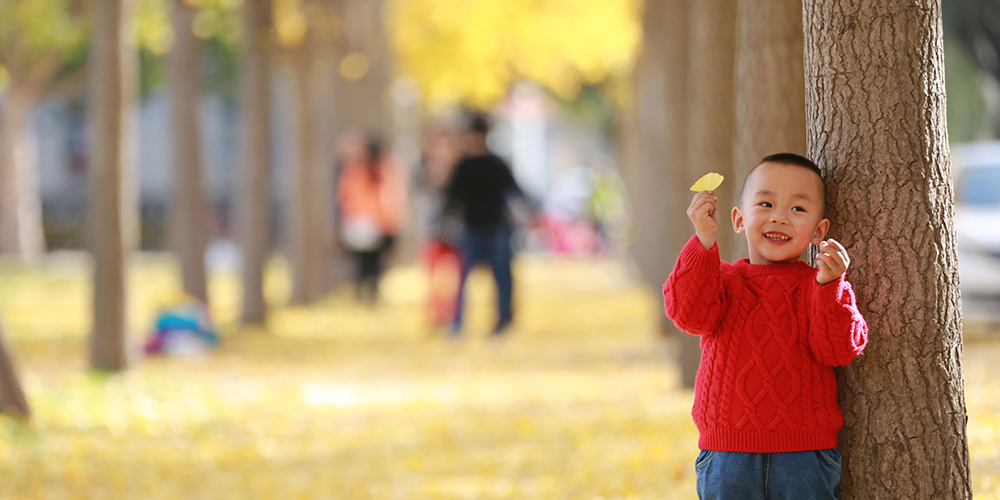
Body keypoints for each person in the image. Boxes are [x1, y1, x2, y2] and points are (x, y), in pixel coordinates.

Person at [662, 153, 869, 500]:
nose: (779, 217)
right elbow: (688, 314)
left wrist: (831, 286)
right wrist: (703, 241)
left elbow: (838, 349)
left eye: (798, 209)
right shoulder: (724, 280)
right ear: (739, 219)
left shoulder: (819, 286)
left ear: (819, 231)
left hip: (805, 456)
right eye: (766, 203)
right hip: (727, 453)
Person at [444, 114, 527, 336]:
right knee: (463, 278)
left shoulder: (495, 163)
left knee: (502, 276)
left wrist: (526, 213)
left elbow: (514, 190)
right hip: (471, 228)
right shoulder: (462, 166)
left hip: (497, 227)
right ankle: (458, 322)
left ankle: (503, 320)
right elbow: (451, 198)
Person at [336, 135, 406, 305]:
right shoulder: (370, 170)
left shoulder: (363, 171)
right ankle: (368, 295)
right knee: (371, 263)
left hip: (367, 224)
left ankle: (365, 295)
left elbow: (344, 197)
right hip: (371, 224)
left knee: (366, 263)